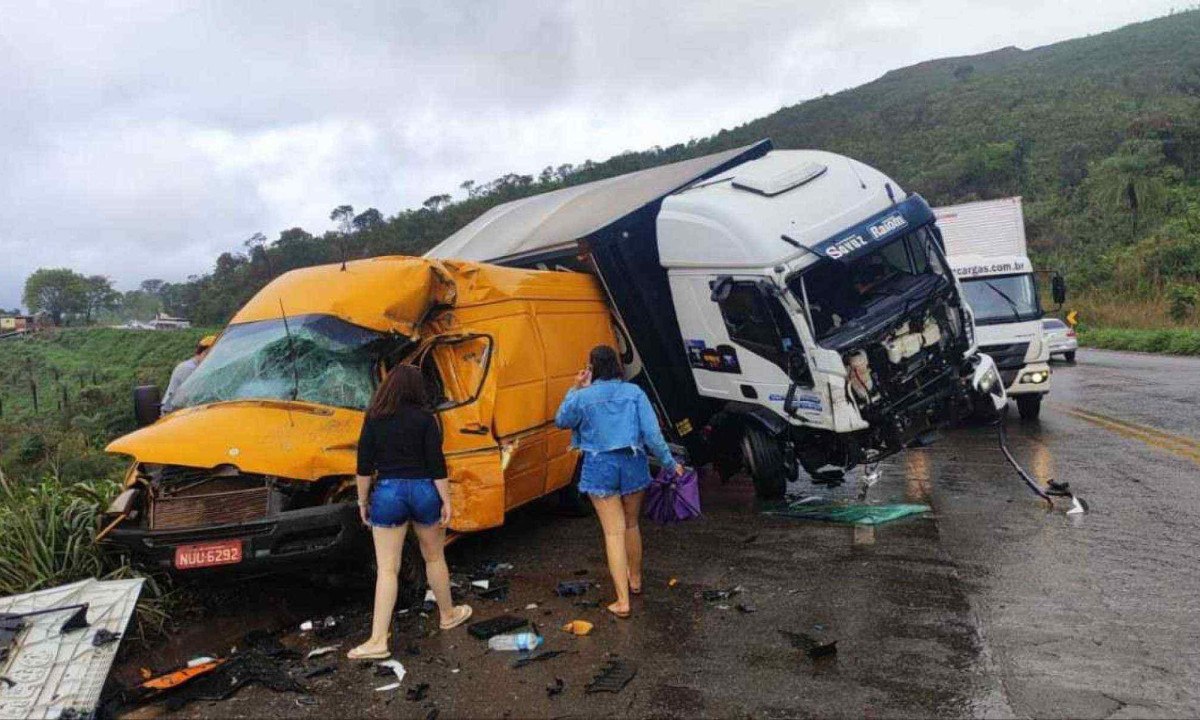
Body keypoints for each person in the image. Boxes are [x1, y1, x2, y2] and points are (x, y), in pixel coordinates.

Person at [348, 364, 472, 660]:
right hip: (424, 491)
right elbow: (436, 464)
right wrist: (447, 500)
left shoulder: (374, 418)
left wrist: (362, 501)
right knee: (435, 557)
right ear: (417, 390)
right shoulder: (425, 419)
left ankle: (378, 640)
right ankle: (448, 614)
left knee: (388, 569)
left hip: (389, 492)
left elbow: (364, 466)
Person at [554, 345, 684, 619]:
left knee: (613, 532)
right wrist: (671, 465)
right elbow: (652, 434)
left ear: (592, 368)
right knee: (631, 523)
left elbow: (561, 420)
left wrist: (575, 388)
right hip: (633, 462)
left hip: (600, 465)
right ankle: (635, 580)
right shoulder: (634, 393)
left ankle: (622, 601)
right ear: (617, 365)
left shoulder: (584, 397)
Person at [161, 334, 215, 413]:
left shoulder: (203, 368)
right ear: (204, 353)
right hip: (173, 412)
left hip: (190, 411)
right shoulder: (187, 369)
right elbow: (196, 395)